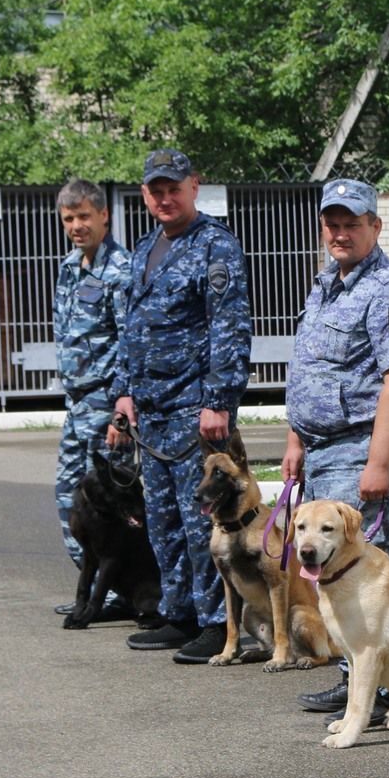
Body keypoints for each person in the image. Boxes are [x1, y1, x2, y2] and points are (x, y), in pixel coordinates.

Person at [285, 179, 389, 721]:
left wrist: (379, 463)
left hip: (360, 446)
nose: (340, 233)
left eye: (352, 222)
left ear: (376, 226)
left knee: (359, 573)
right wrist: (296, 439)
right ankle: (358, 678)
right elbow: (310, 369)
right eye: (333, 223)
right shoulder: (328, 283)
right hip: (322, 448)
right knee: (334, 572)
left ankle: (372, 687)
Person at [107, 148, 252, 664]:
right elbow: (132, 329)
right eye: (155, 190)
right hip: (152, 409)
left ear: (195, 185)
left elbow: (229, 328)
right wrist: (124, 394)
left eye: (174, 187)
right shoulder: (146, 246)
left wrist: (218, 401)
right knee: (163, 518)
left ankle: (220, 623)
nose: (165, 198)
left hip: (195, 409)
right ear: (145, 194)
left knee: (202, 523)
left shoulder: (215, 246)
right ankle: (181, 613)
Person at [52, 178, 132, 620]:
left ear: (104, 215)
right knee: (69, 496)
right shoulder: (69, 267)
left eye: (84, 216)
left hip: (106, 406)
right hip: (78, 404)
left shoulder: (120, 269)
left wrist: (121, 407)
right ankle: (91, 584)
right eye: (69, 219)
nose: (77, 226)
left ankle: (116, 591)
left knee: (109, 507)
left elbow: (129, 341)